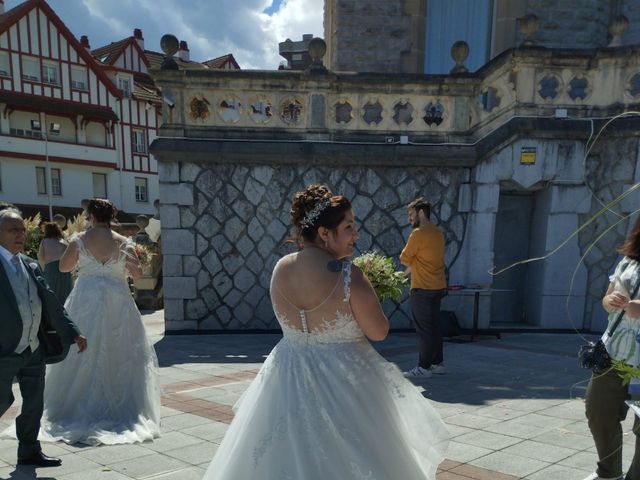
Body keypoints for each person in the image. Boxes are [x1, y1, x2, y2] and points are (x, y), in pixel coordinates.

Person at [201, 184, 448, 480]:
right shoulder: (348, 275)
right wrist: (368, 293)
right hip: (345, 379)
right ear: (324, 233)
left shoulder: (281, 268)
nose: (356, 234)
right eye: (349, 226)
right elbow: (379, 331)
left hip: (287, 374)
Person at [40, 198, 161, 445]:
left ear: (91, 216)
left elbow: (63, 268)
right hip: (118, 301)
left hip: (86, 298)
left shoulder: (79, 240)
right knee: (121, 350)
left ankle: (74, 404)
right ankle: (123, 407)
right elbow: (137, 275)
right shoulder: (124, 242)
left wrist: (85, 264)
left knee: (81, 351)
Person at [0, 208, 86, 467]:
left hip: (33, 348)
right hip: (4, 350)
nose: (20, 234)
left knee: (34, 403)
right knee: (2, 401)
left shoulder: (30, 264)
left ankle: (29, 452)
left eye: (22, 230)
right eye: (13, 230)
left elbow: (51, 302)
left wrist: (73, 331)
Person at [583, 216, 640, 480]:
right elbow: (606, 298)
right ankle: (608, 473)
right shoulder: (628, 260)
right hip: (614, 353)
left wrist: (637, 307)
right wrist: (611, 300)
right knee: (598, 411)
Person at [400, 197, 447, 378]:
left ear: (421, 212)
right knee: (434, 327)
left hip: (422, 287)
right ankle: (438, 364)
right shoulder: (438, 232)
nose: (409, 219)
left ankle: (423, 367)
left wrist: (412, 261)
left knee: (425, 329)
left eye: (411, 214)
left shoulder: (418, 233)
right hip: (437, 286)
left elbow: (404, 258)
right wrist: (415, 261)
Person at [37, 222, 72, 304]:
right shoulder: (64, 241)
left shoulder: (44, 242)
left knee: (51, 294)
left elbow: (41, 258)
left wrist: (43, 269)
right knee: (65, 294)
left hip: (50, 269)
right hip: (65, 269)